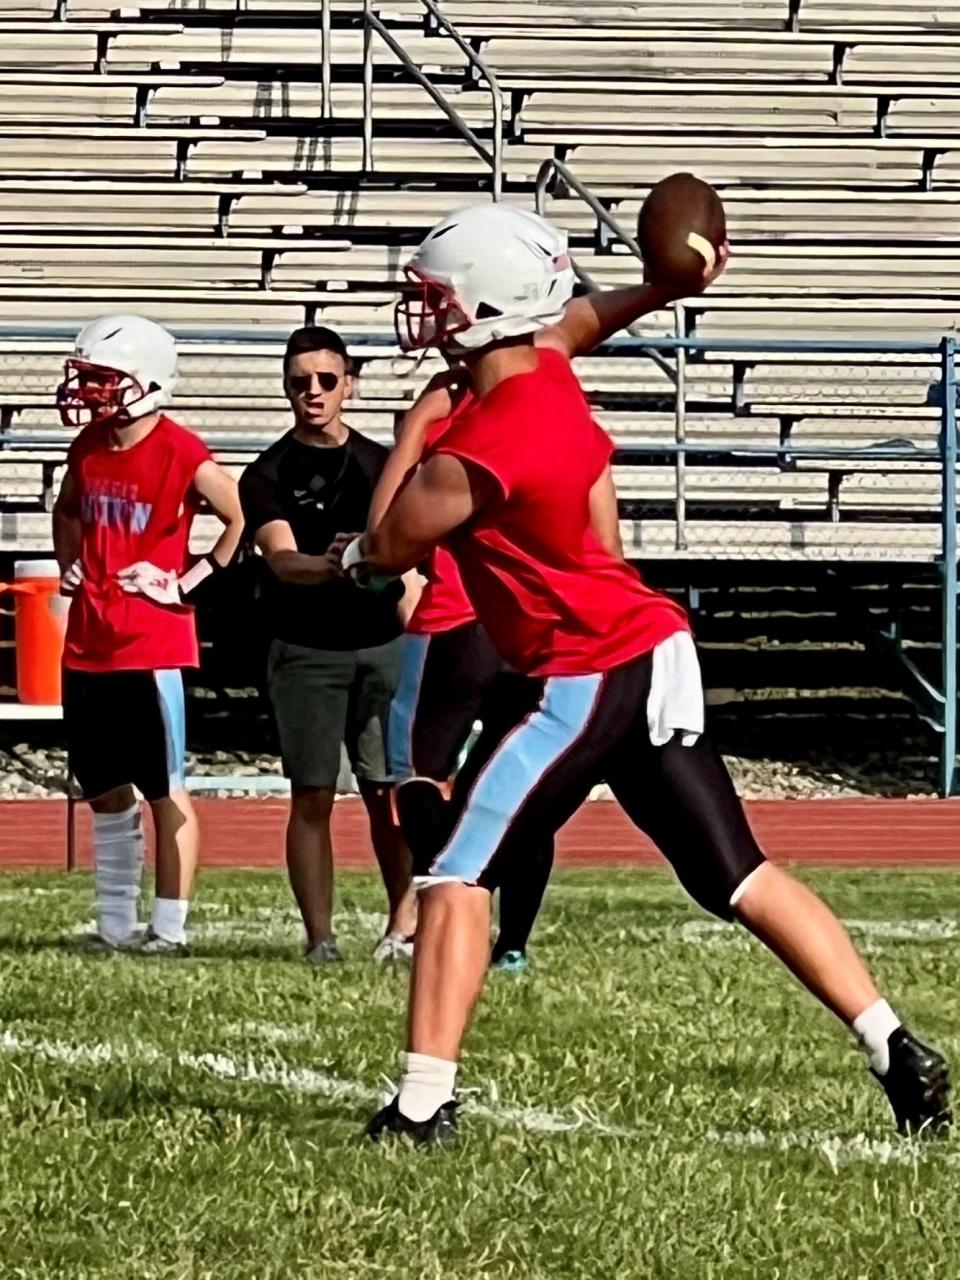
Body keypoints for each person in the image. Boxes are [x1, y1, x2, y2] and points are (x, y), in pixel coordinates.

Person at [341, 203, 951, 1144]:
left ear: (485, 308)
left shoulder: (482, 443)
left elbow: (390, 544)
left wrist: (338, 558)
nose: (425, 315)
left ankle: (422, 1104)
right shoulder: (543, 374)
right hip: (650, 645)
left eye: (438, 299)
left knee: (454, 874)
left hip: (578, 673)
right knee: (736, 874)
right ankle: (892, 1044)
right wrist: (668, 283)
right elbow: (581, 320)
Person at [370, 273, 669, 973]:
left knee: (420, 776)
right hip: (557, 633)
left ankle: (449, 895)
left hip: (461, 620)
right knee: (527, 785)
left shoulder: (460, 415)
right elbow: (604, 535)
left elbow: (383, 537)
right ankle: (510, 940)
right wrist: (664, 284)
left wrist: (415, 425)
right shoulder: (554, 387)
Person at [53, 314, 244, 953]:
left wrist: (186, 583)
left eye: (105, 380)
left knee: (164, 788)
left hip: (149, 642)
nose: (92, 394)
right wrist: (67, 560)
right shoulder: (89, 445)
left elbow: (238, 516)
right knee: (103, 788)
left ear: (146, 381)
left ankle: (168, 929)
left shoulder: (182, 450)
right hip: (89, 638)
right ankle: (112, 925)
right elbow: (69, 508)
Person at [239, 326, 418, 965]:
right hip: (307, 649)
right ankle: (320, 938)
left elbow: (409, 557)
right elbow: (284, 561)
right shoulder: (265, 473)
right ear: (285, 389)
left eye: (325, 379)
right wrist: (346, 561)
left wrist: (389, 581)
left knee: (389, 791)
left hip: (382, 644)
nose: (312, 392)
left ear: (350, 384)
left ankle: (403, 926)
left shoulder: (380, 465)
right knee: (312, 793)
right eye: (299, 382)